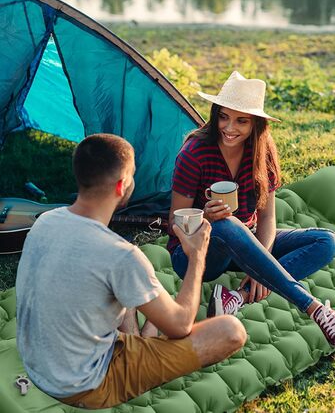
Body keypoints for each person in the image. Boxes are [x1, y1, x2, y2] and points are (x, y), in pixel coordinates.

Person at [16, 133, 247, 409]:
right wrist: (197, 256)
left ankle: (141, 341)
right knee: (231, 330)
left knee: (130, 288)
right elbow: (181, 325)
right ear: (122, 186)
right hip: (85, 385)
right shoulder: (121, 255)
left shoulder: (45, 221)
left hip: (39, 364)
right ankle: (143, 345)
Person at [167, 71, 335, 346]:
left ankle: (236, 298)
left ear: (255, 124)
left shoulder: (262, 151)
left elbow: (267, 215)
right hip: (194, 253)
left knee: (325, 241)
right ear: (215, 114)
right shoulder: (195, 152)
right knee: (226, 224)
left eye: (241, 121)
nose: (229, 127)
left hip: (245, 240)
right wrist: (207, 218)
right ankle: (316, 309)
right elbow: (175, 220)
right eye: (223, 117)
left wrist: (262, 259)